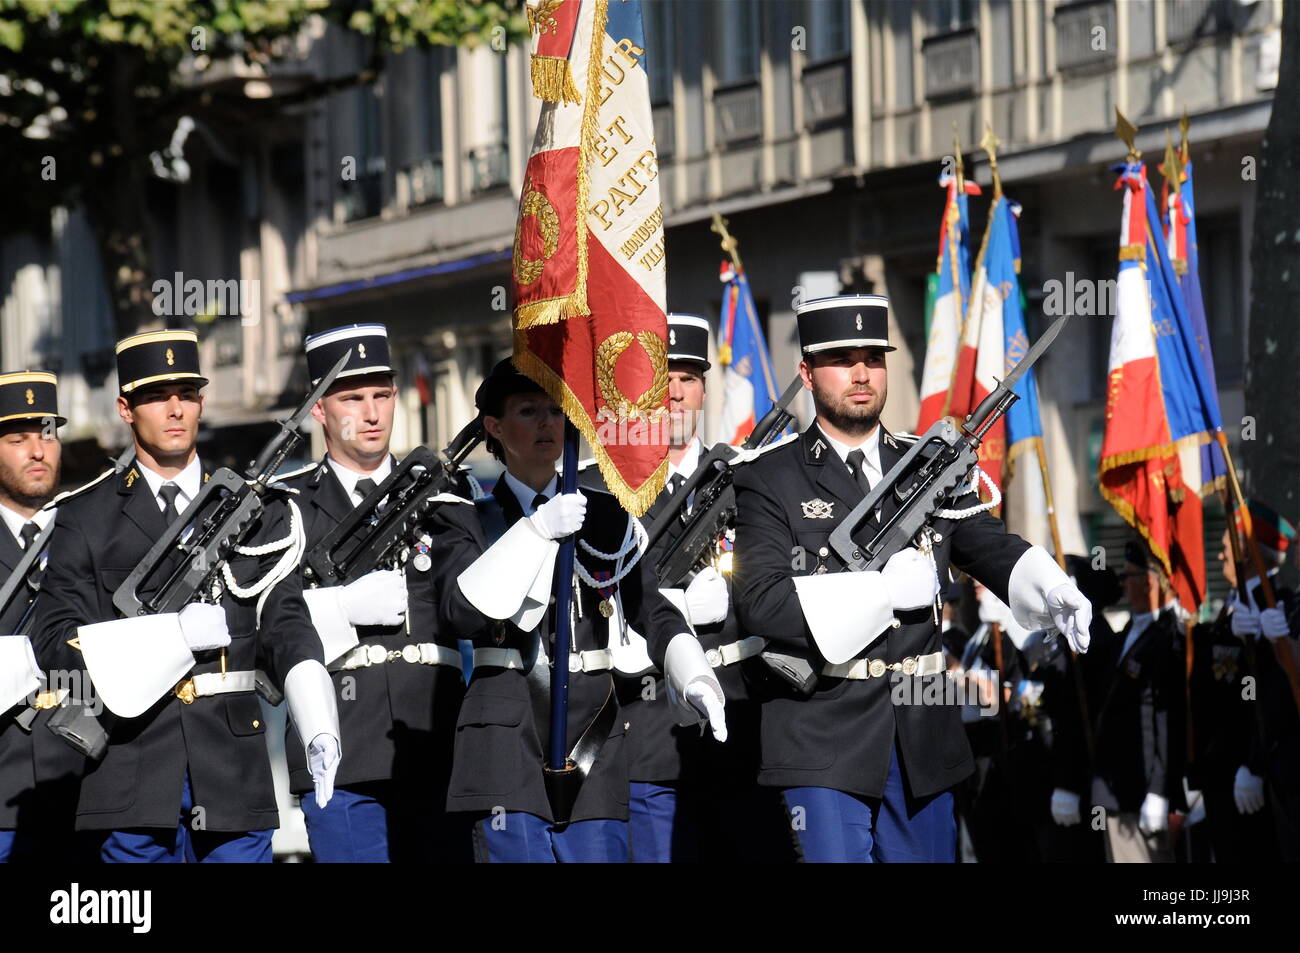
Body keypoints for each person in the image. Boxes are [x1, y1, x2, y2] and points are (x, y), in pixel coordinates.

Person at [731, 294, 1092, 863]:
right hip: (821, 732)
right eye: (840, 359)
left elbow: (986, 542)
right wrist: (880, 593)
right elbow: (760, 601)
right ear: (806, 372)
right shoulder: (769, 477)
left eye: (873, 357)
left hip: (922, 735)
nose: (860, 373)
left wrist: (1050, 586)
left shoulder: (925, 467)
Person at [31, 329, 340, 863]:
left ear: (202, 400)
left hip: (232, 769)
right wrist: (164, 636)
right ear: (125, 409)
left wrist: (315, 705)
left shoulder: (256, 509)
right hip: (130, 768)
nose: (175, 409)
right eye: (156, 396)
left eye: (187, 394)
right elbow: (55, 640)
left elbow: (283, 619)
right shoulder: (87, 515)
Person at [427, 358, 725, 862]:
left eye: (556, 411)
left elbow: (650, 608)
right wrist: (537, 531)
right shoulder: (465, 519)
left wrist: (691, 672)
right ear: (495, 428)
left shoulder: (606, 513)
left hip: (595, 734)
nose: (547, 423)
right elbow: (461, 612)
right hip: (506, 739)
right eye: (528, 411)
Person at [583, 313, 790, 862]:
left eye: (689, 379)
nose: (675, 394)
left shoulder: (751, 480)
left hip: (744, 728)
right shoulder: (601, 491)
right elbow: (590, 605)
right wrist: (670, 607)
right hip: (649, 734)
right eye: (661, 379)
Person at [275, 324, 470, 862]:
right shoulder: (287, 508)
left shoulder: (443, 493)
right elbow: (274, 619)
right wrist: (338, 608)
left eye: (382, 395)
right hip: (342, 743)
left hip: (433, 741)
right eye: (353, 398)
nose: (372, 413)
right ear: (319, 410)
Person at [0, 372, 86, 862]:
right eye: (18, 439)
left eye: (47, 435)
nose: (38, 451)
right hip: (4, 791)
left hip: (88, 786)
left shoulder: (90, 530)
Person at [1187, 503, 1294, 862]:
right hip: (1221, 770)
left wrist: (1254, 764)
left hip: (1252, 775)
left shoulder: (1278, 608)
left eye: (1227, 546)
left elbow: (1274, 695)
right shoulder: (1233, 607)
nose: (1219, 553)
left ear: (1247, 551)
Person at [1087, 539, 1185, 863]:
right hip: (1116, 787)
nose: (1122, 584)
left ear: (1150, 582)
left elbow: (1165, 720)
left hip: (1141, 789)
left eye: (1129, 576)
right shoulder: (1129, 630)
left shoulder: (1168, 638)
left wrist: (1159, 790)